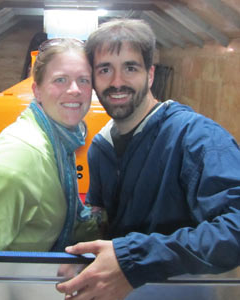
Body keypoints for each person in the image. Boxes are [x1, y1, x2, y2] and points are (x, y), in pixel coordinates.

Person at [56, 19, 240, 299]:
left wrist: (134, 259)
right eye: (105, 70)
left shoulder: (196, 139)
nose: (117, 82)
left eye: (130, 68)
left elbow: (236, 228)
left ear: (150, 74)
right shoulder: (100, 148)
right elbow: (103, 224)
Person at [0, 38, 101, 252]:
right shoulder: (17, 162)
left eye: (84, 80)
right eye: (60, 80)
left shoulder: (58, 142)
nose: (75, 90)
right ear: (37, 90)